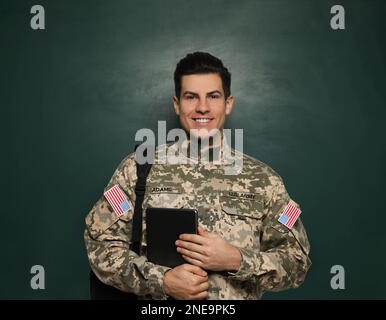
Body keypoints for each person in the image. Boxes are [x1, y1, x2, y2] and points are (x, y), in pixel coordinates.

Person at [84, 52, 311, 300]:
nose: (202, 107)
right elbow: (100, 244)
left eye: (213, 96)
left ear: (228, 103)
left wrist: (236, 259)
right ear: (177, 104)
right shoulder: (137, 170)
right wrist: (162, 281)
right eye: (191, 97)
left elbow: (297, 262)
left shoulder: (265, 180)